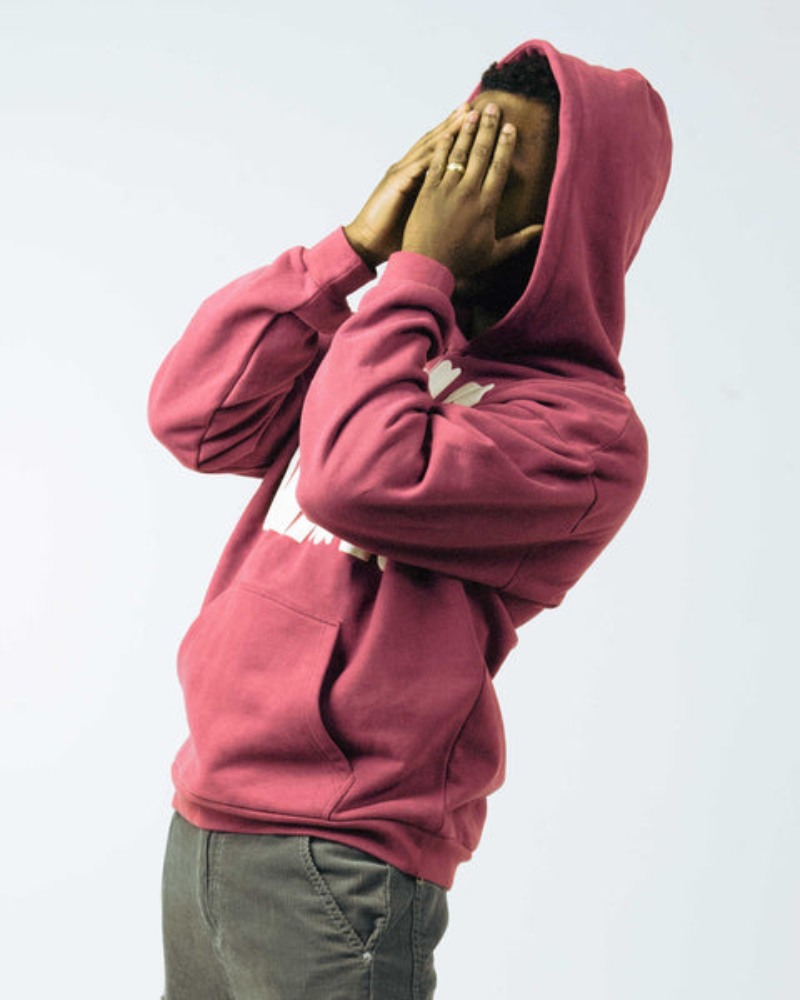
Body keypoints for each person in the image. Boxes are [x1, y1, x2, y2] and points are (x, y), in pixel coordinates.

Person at [148, 38, 671, 1000]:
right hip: (207, 816)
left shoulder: (585, 435)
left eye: (493, 169)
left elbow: (355, 480)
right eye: (454, 149)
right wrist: (351, 250)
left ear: (571, 224)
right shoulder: (394, 338)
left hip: (340, 854)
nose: (451, 189)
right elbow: (194, 417)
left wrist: (416, 275)